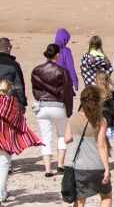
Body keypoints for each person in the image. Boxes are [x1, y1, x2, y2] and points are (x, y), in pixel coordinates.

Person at [0, 78, 42, 207]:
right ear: (9, 90)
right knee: (3, 168)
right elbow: (19, 121)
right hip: (7, 140)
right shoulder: (12, 104)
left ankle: (2, 194)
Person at [63, 87, 113, 207]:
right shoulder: (100, 120)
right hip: (96, 165)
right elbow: (102, 146)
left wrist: (79, 135)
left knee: (80, 199)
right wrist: (107, 169)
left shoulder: (73, 118)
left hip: (79, 166)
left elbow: (66, 139)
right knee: (106, 195)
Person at [31, 43, 75, 176]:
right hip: (58, 106)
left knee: (46, 137)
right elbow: (67, 91)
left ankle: (48, 169)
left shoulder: (37, 70)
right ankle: (60, 165)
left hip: (42, 106)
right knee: (62, 134)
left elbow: (34, 89)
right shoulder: (62, 71)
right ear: (57, 55)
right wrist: (69, 110)